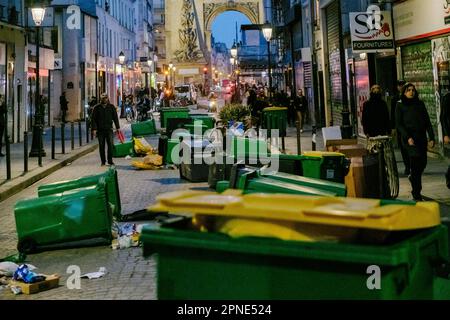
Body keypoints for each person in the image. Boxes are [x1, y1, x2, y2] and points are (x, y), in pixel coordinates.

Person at [396, 83, 435, 201]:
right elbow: (399, 124)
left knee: (423, 163)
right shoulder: (400, 105)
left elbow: (427, 121)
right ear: (404, 92)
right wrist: (407, 137)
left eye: (413, 90)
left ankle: (413, 177)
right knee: (416, 164)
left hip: (421, 138)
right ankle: (416, 193)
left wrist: (432, 137)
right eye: (408, 90)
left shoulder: (420, 104)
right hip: (409, 140)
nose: (411, 92)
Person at [91, 93, 120, 166]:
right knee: (101, 146)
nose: (105, 99)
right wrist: (94, 129)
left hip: (109, 129)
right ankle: (103, 161)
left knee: (110, 145)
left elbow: (115, 118)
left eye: (106, 98)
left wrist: (118, 127)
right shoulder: (96, 108)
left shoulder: (111, 107)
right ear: (101, 99)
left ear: (108, 98)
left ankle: (110, 161)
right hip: (100, 130)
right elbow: (93, 119)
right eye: (103, 98)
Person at [391, 80, 410, 175]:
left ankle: (411, 165)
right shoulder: (395, 99)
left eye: (403, 85)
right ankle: (407, 166)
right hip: (400, 127)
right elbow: (392, 114)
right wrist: (393, 127)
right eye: (400, 85)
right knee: (403, 147)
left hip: (410, 126)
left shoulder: (411, 98)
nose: (401, 87)